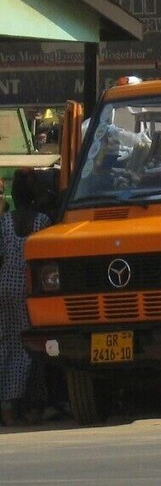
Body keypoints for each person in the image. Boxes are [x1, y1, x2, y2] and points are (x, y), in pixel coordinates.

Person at [0, 170, 52, 425]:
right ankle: (20, 402)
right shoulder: (42, 221)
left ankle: (6, 405)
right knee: (27, 346)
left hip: (4, 288)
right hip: (29, 291)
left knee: (6, 342)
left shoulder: (5, 222)